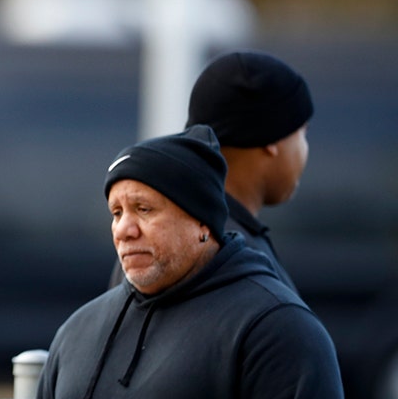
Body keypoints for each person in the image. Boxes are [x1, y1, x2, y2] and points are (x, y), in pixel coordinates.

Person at [20, 125, 353, 399]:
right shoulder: (78, 330)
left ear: (201, 221)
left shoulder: (274, 326)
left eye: (143, 208)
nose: (124, 228)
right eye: (116, 211)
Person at [110, 50, 312, 290]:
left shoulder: (157, 243)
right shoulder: (226, 254)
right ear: (272, 139)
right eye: (302, 133)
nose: (305, 148)